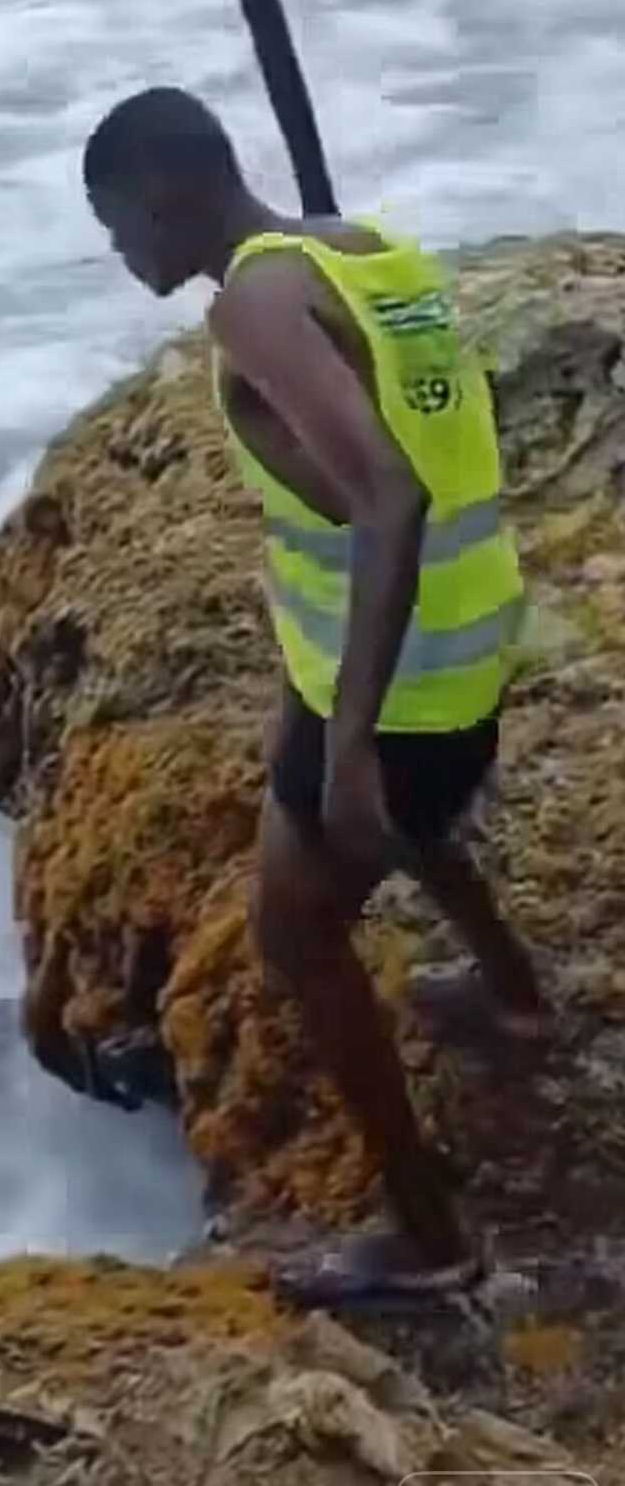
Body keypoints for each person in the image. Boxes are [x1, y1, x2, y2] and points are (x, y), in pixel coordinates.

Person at [82, 85, 552, 1303]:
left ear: (167, 196)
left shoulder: (251, 304)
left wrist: (348, 747)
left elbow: (387, 497)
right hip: (462, 637)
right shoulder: (361, 251)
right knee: (400, 815)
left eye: (117, 224)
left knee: (297, 933)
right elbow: (414, 449)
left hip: (400, 684)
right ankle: (514, 996)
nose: (118, 252)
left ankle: (429, 1239)